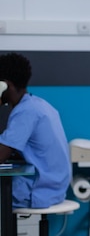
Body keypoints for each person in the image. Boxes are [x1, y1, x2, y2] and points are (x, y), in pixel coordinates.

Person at [0, 52, 71, 208]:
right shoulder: (38, 104)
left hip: (39, 191)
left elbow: (1, 154)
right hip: (55, 188)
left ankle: (6, 233)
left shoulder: (25, 112)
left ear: (5, 85)